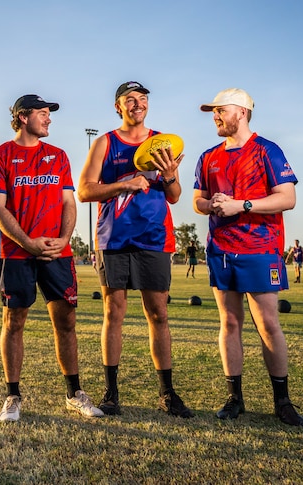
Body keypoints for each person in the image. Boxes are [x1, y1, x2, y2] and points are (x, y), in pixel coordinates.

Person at [76, 81, 192, 418]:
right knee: (114, 313)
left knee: (159, 314)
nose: (138, 104)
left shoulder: (162, 143)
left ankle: (167, 394)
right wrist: (125, 184)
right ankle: (111, 394)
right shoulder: (105, 142)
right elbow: (84, 191)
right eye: (130, 99)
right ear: (118, 107)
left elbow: (174, 196)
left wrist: (169, 175)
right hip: (114, 238)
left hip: (154, 237)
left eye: (142, 98)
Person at [192, 87, 303, 426]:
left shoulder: (267, 150)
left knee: (268, 323)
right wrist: (211, 205)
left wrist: (240, 205)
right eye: (213, 111)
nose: (215, 116)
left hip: (260, 248)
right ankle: (234, 398)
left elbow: (287, 197)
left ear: (241, 112)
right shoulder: (208, 157)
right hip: (221, 249)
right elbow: (197, 201)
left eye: (220, 110)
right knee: (229, 322)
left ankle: (282, 401)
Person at [0, 94, 102, 422]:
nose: (49, 118)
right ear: (23, 117)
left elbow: (68, 202)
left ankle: (74, 393)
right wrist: (27, 242)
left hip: (56, 252)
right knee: (14, 322)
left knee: (66, 322)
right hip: (16, 253)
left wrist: (64, 240)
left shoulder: (58, 156)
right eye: (43, 113)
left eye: (49, 113)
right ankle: (12, 396)